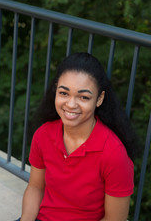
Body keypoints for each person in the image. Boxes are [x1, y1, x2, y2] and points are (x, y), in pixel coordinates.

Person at [17, 52, 135, 221]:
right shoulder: (43, 135)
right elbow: (36, 187)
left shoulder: (114, 154)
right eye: (64, 93)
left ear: (99, 99)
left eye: (84, 97)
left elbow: (115, 219)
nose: (71, 104)